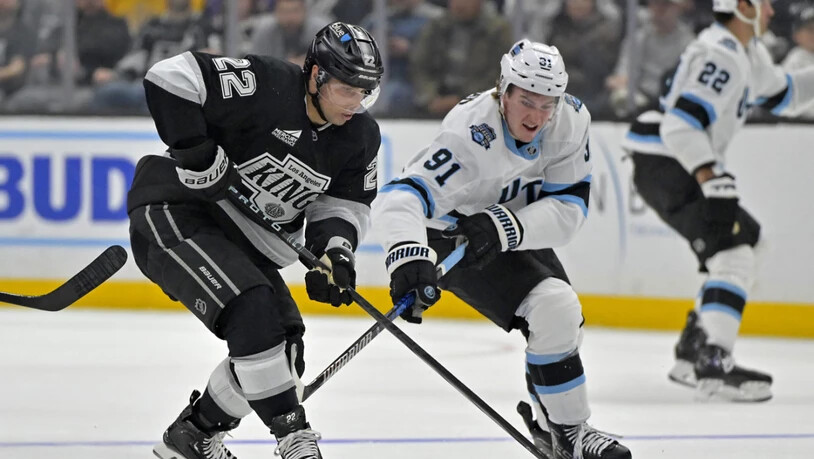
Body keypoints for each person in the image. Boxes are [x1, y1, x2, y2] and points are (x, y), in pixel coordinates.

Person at [127, 21, 383, 459]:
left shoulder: (359, 136)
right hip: (177, 211)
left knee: (286, 352)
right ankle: (294, 439)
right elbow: (170, 77)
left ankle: (193, 437)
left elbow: (342, 206)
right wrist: (195, 150)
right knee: (253, 313)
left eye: (365, 92)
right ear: (316, 76)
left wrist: (335, 253)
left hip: (246, 241)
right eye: (347, 89)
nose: (356, 103)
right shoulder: (265, 84)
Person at [370, 39, 632, 459]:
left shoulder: (570, 120)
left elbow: (569, 208)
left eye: (548, 103)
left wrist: (505, 226)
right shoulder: (470, 133)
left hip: (506, 225)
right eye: (527, 100)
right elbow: (401, 196)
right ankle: (569, 431)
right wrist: (408, 256)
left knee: (560, 320)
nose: (538, 115)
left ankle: (556, 427)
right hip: (451, 234)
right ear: (503, 90)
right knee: (554, 308)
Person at [621, 0, 814, 402]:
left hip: (671, 161)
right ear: (741, 6)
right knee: (735, 254)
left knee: (751, 242)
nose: (772, 12)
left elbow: (784, 96)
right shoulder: (719, 54)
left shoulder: (744, 51)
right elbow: (680, 125)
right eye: (764, 4)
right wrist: (711, 177)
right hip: (668, 162)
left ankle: (696, 350)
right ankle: (712, 360)